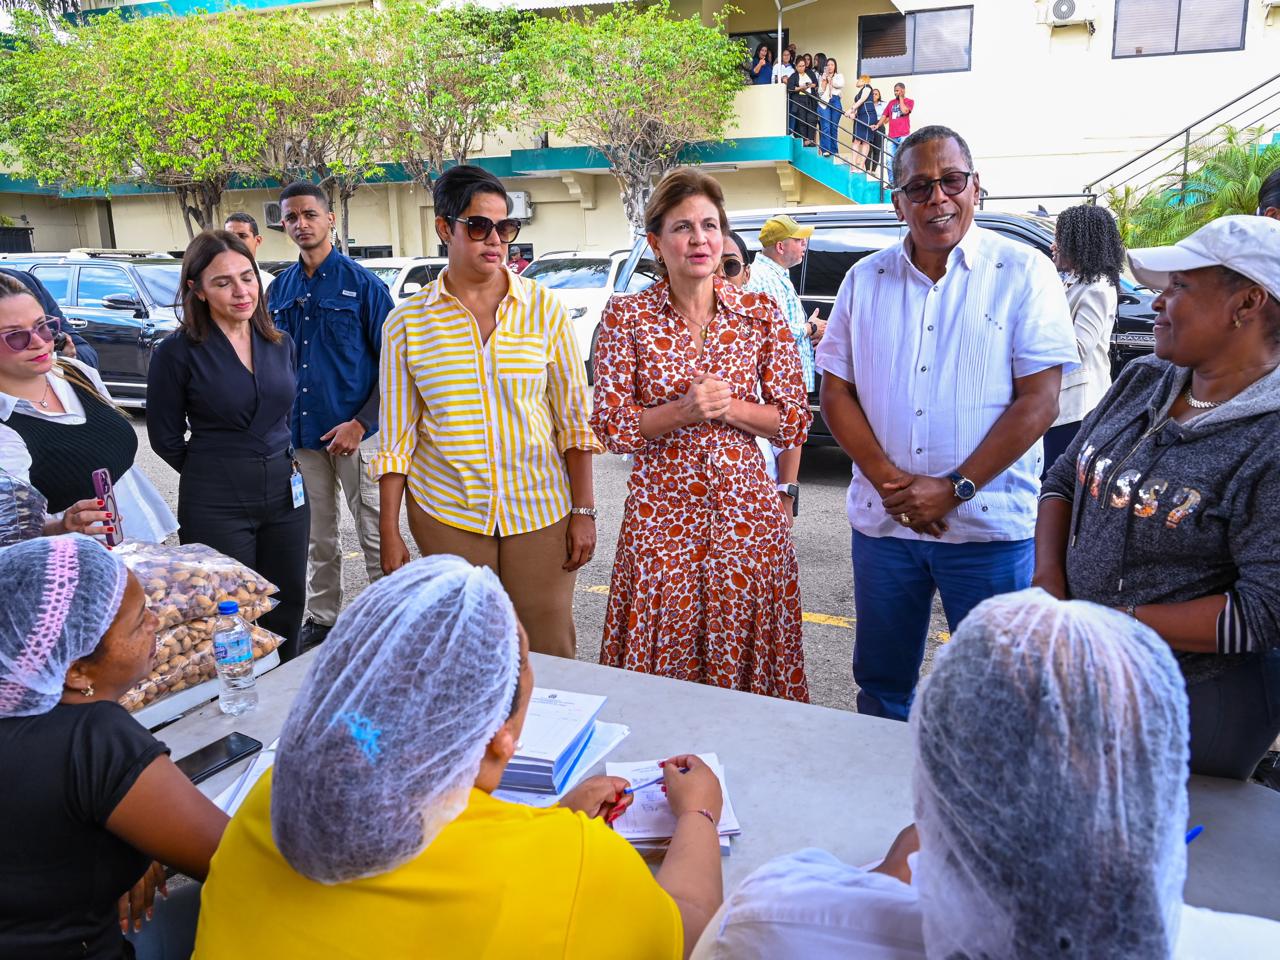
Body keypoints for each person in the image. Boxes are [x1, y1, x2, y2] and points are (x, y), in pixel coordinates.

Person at [691, 589, 1280, 959]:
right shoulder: (1255, 945)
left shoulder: (781, 921)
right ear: (1152, 778)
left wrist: (890, 875)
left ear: (936, 774)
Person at [192, 555, 725, 959]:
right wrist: (698, 813)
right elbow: (691, 930)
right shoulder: (576, 864)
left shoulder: (271, 800)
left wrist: (548, 821)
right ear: (501, 738)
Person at [817, 125, 1076, 721]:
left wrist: (954, 487)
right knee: (881, 687)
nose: (938, 198)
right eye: (919, 186)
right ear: (898, 202)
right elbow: (836, 392)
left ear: (975, 187)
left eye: (951, 181)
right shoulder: (865, 280)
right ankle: (887, 781)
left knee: (999, 694)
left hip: (988, 528)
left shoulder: (1023, 272)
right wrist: (893, 485)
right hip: (886, 527)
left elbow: (1040, 401)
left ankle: (984, 787)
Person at [1036, 215, 1280, 780]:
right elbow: (1066, 478)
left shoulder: (1268, 438)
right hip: (1091, 663)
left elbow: (1264, 613)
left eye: (1180, 287)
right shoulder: (1145, 378)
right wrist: (1049, 584)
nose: (1157, 303)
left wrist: (1113, 621)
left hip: (1195, 700)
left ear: (1247, 303)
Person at [591, 168, 811, 700]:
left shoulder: (759, 314)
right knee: (662, 681)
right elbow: (612, 426)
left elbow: (793, 419)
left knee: (749, 681)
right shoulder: (626, 317)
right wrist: (682, 410)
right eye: (683, 227)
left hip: (747, 524)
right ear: (655, 242)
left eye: (710, 226)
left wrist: (730, 407)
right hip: (661, 525)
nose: (699, 239)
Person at [372, 165, 600, 660]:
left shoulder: (544, 309)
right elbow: (397, 439)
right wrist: (389, 532)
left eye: (506, 227)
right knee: (468, 649)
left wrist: (583, 510)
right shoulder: (406, 323)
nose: (495, 240)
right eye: (478, 226)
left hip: (541, 507)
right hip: (447, 509)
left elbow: (573, 421)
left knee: (549, 646)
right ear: (444, 228)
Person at [0, 534, 228, 959]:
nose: (157, 622)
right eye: (139, 621)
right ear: (77, 671)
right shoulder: (94, 737)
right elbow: (235, 861)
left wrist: (136, 843)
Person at [146, 231, 310, 658]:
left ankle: (284, 685)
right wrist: (218, 470)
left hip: (285, 494)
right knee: (227, 610)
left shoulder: (280, 343)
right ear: (197, 290)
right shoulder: (176, 352)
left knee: (286, 601)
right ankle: (236, 694)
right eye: (223, 282)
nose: (241, 291)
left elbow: (282, 415)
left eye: (247, 277)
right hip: (216, 500)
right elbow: (164, 438)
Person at [269, 181, 393, 651]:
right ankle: (323, 619)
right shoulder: (279, 289)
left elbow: (395, 365)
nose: (301, 224)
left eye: (309, 214)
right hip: (303, 436)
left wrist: (361, 424)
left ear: (330, 219)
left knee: (374, 531)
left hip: (358, 433)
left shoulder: (364, 286)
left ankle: (389, 619)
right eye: (291, 217)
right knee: (317, 535)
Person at [0, 274, 177, 545]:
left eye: (43, 326)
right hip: (78, 561)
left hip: (145, 539)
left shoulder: (76, 373)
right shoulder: (6, 426)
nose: (39, 341)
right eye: (16, 336)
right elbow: (11, 533)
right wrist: (59, 527)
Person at [745, 215, 823, 518]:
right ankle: (774, 512)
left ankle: (778, 510)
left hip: (787, 380)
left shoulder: (777, 275)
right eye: (799, 240)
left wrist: (807, 329)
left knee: (789, 440)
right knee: (778, 446)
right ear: (780, 246)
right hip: (776, 382)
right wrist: (809, 329)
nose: (804, 245)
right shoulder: (762, 278)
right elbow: (769, 329)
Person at [1043, 204, 1124, 476]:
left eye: (1059, 238)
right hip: (1061, 404)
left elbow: (1078, 348)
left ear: (1078, 242)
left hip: (1077, 408)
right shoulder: (1075, 281)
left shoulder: (1097, 288)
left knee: (1058, 479)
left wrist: (1034, 332)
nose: (1053, 246)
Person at [0, 267, 98, 368]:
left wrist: (62, 361)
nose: (39, 342)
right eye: (15, 334)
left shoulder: (28, 282)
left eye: (41, 325)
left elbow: (82, 349)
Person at [223, 212, 273, 292]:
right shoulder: (215, 282)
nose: (235, 241)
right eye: (229, 236)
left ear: (257, 240)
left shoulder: (271, 283)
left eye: (242, 236)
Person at [873, 83, 915, 180]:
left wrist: (901, 98)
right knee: (889, 160)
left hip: (904, 136)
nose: (895, 93)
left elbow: (904, 111)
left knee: (904, 160)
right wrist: (878, 125)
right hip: (891, 137)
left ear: (903, 90)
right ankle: (892, 183)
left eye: (897, 90)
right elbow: (884, 115)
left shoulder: (909, 101)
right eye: (895, 91)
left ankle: (904, 182)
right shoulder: (891, 103)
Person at [786, 54, 818, 146]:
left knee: (812, 119)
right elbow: (790, 88)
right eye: (799, 66)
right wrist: (801, 88)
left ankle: (811, 140)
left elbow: (815, 83)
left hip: (810, 99)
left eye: (803, 65)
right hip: (799, 100)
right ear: (796, 67)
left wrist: (809, 85)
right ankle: (804, 141)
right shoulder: (793, 76)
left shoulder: (809, 72)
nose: (802, 68)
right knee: (802, 121)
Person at [845, 74, 875, 169]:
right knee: (856, 140)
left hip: (868, 115)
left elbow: (862, 100)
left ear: (863, 80)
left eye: (859, 80)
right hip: (860, 115)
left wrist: (851, 109)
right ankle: (853, 164)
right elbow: (860, 104)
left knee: (865, 141)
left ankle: (861, 165)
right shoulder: (862, 90)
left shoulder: (867, 87)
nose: (857, 81)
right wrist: (854, 112)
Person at [816, 58, 845, 158]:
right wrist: (824, 80)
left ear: (835, 66)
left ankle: (834, 150)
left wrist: (830, 80)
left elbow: (840, 85)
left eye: (832, 64)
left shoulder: (839, 76)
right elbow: (820, 92)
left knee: (833, 127)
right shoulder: (822, 77)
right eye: (828, 65)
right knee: (825, 126)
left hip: (835, 100)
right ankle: (825, 150)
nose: (830, 67)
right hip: (824, 102)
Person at [867, 88, 886, 176]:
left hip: (879, 126)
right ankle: (867, 169)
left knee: (877, 149)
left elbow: (887, 116)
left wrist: (881, 122)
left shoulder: (883, 104)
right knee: (868, 148)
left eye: (876, 94)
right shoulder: (867, 104)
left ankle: (873, 170)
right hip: (869, 126)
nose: (874, 95)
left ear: (879, 96)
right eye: (873, 94)